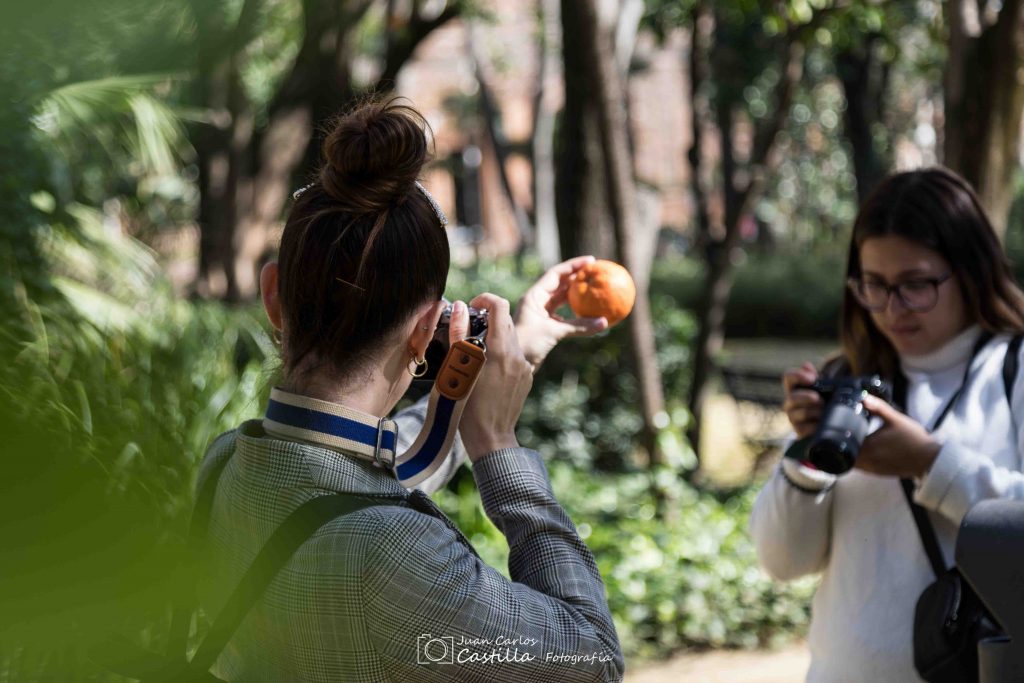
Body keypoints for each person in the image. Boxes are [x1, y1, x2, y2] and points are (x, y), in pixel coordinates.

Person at [195, 98, 624, 682]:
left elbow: (374, 469)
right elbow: (593, 661)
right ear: (427, 329)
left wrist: (521, 346)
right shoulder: (396, 551)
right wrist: (498, 446)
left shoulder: (225, 464)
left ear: (273, 297)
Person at [750, 167, 1024, 682]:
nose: (893, 308)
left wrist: (931, 464)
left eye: (916, 284)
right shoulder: (846, 380)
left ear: (972, 270)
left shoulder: (1013, 371)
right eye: (874, 285)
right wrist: (806, 459)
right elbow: (784, 561)